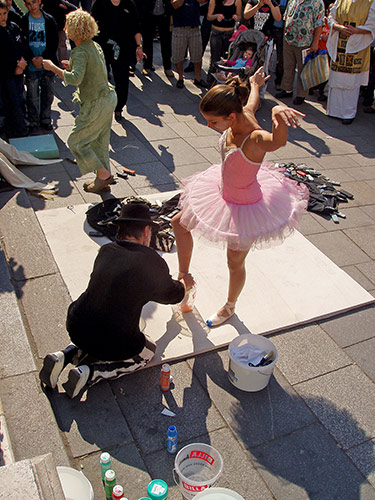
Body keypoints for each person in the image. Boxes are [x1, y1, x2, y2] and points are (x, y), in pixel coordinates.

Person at [171, 67, 308, 327]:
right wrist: (255, 84)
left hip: (244, 206)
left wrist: (277, 111)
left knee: (234, 261)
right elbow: (252, 101)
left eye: (213, 121)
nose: (209, 126)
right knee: (179, 223)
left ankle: (230, 306)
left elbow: (278, 142)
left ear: (231, 116)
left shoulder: (255, 138)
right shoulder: (242, 112)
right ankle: (184, 277)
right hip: (221, 192)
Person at [39, 202, 191, 399]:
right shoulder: (151, 262)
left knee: (99, 321)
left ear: (121, 229)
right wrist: (183, 282)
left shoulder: (107, 250)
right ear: (146, 231)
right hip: (112, 340)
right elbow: (173, 295)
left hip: (76, 324)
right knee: (148, 352)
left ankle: (64, 355)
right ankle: (93, 373)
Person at [42, 9, 117, 194]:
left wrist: (53, 68)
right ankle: (102, 181)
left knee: (76, 142)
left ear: (73, 29)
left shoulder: (79, 51)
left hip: (96, 103)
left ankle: (104, 174)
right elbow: (93, 69)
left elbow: (75, 79)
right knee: (99, 141)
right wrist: (73, 66)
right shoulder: (93, 45)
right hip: (108, 97)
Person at [91, 0, 144, 122]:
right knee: (101, 78)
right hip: (103, 46)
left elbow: (136, 27)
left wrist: (139, 46)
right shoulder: (100, 4)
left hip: (123, 48)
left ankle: (119, 108)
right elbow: (91, 24)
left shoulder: (129, 4)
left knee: (122, 81)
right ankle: (101, 108)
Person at [326, 0, 375, 124]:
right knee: (336, 79)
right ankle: (333, 110)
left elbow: (372, 24)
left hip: (357, 44)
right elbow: (331, 16)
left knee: (351, 82)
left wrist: (357, 31)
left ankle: (348, 113)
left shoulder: (370, 2)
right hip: (339, 42)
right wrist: (337, 27)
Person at [276, 0, 325, 104]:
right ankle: (287, 89)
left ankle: (301, 95)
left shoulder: (317, 2)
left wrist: (315, 42)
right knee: (288, 66)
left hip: (305, 42)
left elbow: (319, 23)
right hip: (289, 40)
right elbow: (286, 17)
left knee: (303, 70)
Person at [21, 0, 58, 133]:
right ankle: (33, 121)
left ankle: (45, 119)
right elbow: (23, 42)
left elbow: (54, 42)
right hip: (32, 64)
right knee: (32, 95)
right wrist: (32, 58)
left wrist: (44, 57)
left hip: (47, 64)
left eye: (34, 3)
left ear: (39, 2)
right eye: (29, 4)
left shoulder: (48, 19)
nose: (32, 6)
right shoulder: (24, 20)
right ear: (25, 5)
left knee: (48, 93)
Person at [0, 0, 28, 139]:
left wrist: (22, 61)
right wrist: (15, 64)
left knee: (18, 99)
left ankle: (20, 129)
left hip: (18, 72)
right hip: (5, 73)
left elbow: (21, 45)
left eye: (4, 13)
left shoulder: (13, 27)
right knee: (8, 102)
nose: (2, 17)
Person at [243, 0, 282, 98]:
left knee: (263, 66)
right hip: (252, 39)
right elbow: (246, 15)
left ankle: (260, 94)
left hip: (266, 39)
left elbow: (278, 18)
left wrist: (270, 5)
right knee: (249, 63)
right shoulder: (252, 2)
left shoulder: (273, 3)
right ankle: (246, 89)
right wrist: (257, 6)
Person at [171, 0, 209, 89]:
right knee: (178, 56)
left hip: (194, 28)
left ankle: (198, 78)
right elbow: (175, 5)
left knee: (197, 55)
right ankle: (180, 78)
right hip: (179, 28)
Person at [207, 0, 242, 86]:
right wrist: (216, 16)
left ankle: (225, 81)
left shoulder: (237, 1)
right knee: (215, 58)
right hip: (216, 32)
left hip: (229, 33)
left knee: (227, 58)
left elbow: (239, 16)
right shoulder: (214, 1)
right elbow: (209, 16)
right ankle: (210, 81)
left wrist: (237, 17)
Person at [137, 0, 174, 77]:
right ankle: (147, 66)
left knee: (166, 42)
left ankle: (167, 67)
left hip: (164, 14)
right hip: (148, 13)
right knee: (147, 41)